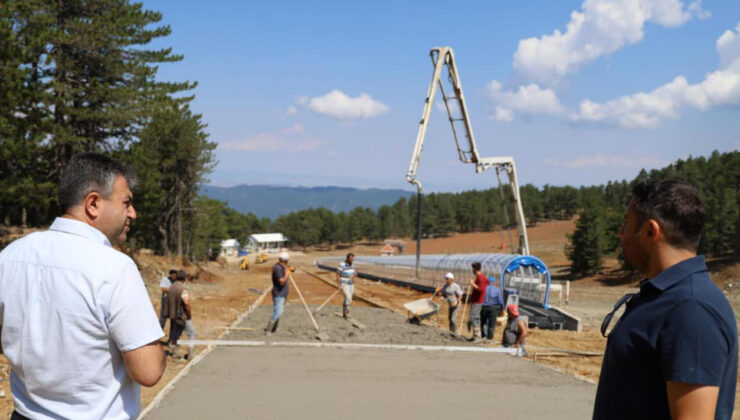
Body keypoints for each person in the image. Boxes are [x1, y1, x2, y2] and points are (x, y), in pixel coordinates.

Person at [0, 152, 165, 420]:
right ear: (93, 203)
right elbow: (148, 371)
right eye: (127, 203)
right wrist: (160, 352)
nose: (132, 214)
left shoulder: (10, 256)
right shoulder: (114, 268)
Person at [593, 180, 737, 420]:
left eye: (626, 224)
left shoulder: (691, 309)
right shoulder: (665, 298)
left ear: (651, 231)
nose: (620, 233)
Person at [167, 269, 197, 360]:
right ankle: (191, 354)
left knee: (175, 334)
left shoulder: (171, 288)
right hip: (182, 316)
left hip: (173, 315)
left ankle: (175, 353)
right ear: (184, 278)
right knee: (192, 333)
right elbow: (186, 303)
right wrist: (189, 313)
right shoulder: (183, 290)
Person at [265, 252, 292, 335]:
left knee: (279, 312)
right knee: (277, 312)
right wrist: (287, 274)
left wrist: (289, 270)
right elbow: (281, 281)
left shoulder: (282, 266)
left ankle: (274, 329)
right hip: (279, 294)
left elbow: (285, 272)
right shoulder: (277, 268)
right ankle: (268, 330)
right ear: (286, 260)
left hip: (282, 293)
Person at [468, 262, 489, 340]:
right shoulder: (481, 277)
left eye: (472, 269)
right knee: (474, 317)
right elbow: (487, 282)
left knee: (474, 317)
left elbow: (481, 289)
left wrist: (473, 284)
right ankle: (475, 336)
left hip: (478, 301)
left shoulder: (480, 277)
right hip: (476, 300)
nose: (472, 270)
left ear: (475, 269)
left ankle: (477, 336)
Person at [336, 253, 356, 319]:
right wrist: (338, 285)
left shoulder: (352, 264)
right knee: (348, 298)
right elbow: (338, 274)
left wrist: (355, 274)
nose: (352, 260)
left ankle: (344, 313)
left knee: (348, 298)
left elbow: (354, 272)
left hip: (351, 283)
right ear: (347, 258)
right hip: (344, 283)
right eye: (351, 259)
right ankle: (347, 313)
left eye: (353, 259)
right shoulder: (342, 264)